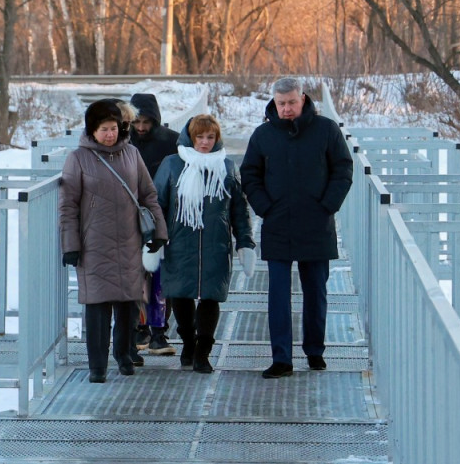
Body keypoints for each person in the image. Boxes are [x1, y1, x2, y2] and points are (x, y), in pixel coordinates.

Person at [239, 77, 354, 378]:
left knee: (315, 291)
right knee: (278, 294)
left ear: (302, 99)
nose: (287, 109)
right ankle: (282, 358)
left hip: (316, 222)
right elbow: (250, 173)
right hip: (277, 222)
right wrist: (265, 207)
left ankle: (315, 351)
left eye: (291, 102)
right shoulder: (263, 134)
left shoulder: (326, 130)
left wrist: (327, 205)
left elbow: (343, 169)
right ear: (274, 103)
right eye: (281, 104)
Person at [60, 99, 168, 383]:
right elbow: (68, 205)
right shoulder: (78, 159)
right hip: (93, 244)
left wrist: (158, 233)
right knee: (97, 308)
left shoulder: (131, 154)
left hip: (130, 241)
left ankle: (124, 355)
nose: (110, 134)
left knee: (128, 304)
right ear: (92, 130)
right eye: (104, 129)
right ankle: (97, 366)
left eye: (114, 128)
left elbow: (148, 195)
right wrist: (70, 245)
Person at [152, 114, 255, 373]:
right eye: (200, 137)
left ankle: (203, 352)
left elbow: (238, 209)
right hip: (179, 242)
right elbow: (157, 204)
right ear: (190, 137)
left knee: (211, 298)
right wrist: (154, 239)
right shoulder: (172, 164)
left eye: (210, 137)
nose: (205, 143)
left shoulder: (227, 167)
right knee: (181, 296)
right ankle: (188, 341)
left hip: (215, 244)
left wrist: (245, 242)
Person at [129, 93, 180, 356]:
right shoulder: (124, 141)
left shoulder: (171, 142)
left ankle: (159, 329)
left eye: (146, 122)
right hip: (130, 216)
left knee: (160, 274)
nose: (140, 128)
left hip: (162, 214)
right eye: (136, 122)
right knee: (137, 274)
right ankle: (140, 327)